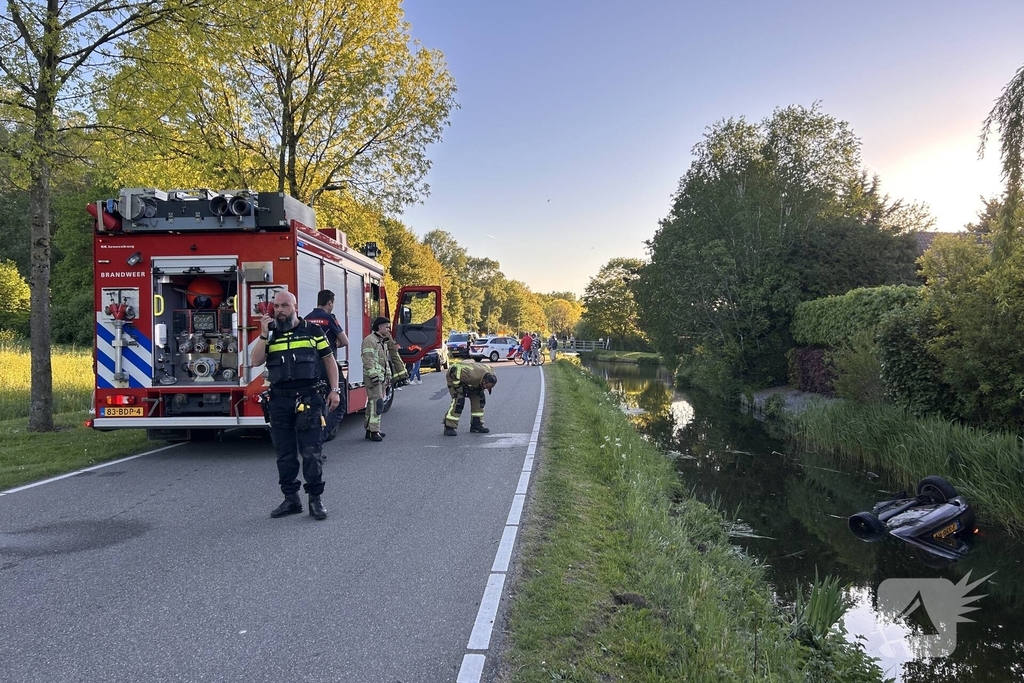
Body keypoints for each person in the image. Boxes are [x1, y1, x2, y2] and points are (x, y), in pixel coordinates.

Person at [251, 291, 340, 521]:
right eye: (276, 306)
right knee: (285, 454)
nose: (279, 310)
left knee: (311, 452)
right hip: (279, 400)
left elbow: (329, 360)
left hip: (309, 398)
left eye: (284, 306)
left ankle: (315, 500)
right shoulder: (270, 335)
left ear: (295, 306)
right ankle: (291, 499)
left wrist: (335, 390)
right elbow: (255, 360)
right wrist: (262, 335)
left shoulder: (312, 331)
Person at [303, 290, 349, 443]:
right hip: (327, 367)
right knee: (339, 404)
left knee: (315, 405)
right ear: (330, 303)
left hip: (309, 368)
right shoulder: (329, 318)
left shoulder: (306, 319)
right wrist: (336, 342)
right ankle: (317, 440)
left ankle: (310, 437)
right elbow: (345, 341)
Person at [443, 360, 497, 436]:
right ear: (484, 381)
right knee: (459, 401)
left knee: (480, 399)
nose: (487, 389)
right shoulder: (470, 375)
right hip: (454, 376)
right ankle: (449, 426)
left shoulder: (491, 374)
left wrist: (471, 388)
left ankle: (476, 425)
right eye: (487, 387)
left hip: (472, 381)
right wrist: (458, 388)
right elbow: (453, 371)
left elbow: (482, 385)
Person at [361, 317, 393, 441]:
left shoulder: (381, 341)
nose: (388, 329)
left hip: (380, 378)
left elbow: (384, 361)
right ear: (379, 327)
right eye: (387, 327)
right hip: (374, 379)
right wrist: (374, 376)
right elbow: (367, 360)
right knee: (377, 404)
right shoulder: (370, 340)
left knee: (373, 404)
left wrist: (388, 376)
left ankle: (370, 429)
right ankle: (374, 431)